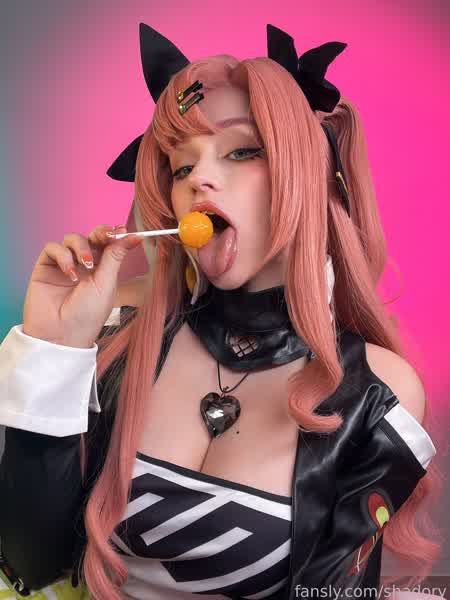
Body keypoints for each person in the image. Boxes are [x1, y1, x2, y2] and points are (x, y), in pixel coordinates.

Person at [0, 22, 441, 600]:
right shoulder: (119, 336)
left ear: (309, 177)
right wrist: (55, 349)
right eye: (181, 167)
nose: (199, 180)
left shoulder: (377, 395)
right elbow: (32, 566)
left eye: (242, 151)